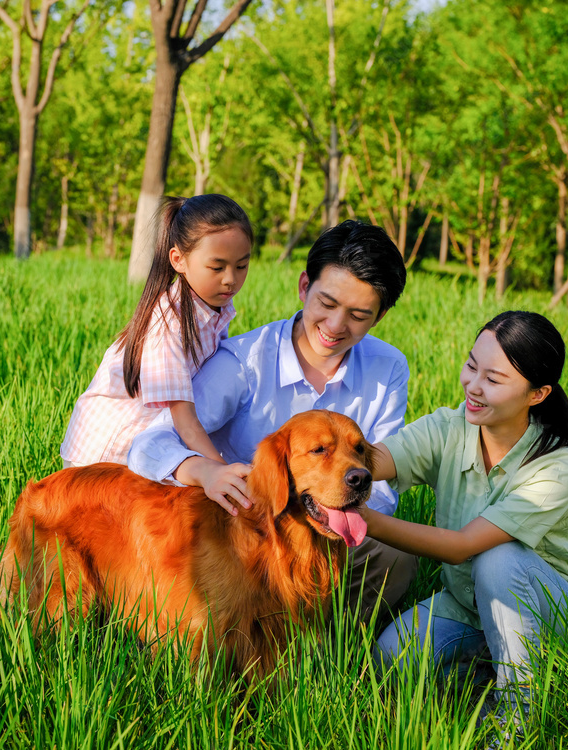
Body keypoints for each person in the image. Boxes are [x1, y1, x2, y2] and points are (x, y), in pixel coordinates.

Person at [128, 220, 418, 619]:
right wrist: (207, 471)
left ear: (380, 316)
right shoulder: (243, 362)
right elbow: (149, 443)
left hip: (330, 534)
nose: (335, 327)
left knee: (396, 558)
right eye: (327, 304)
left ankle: (327, 646)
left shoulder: (388, 368)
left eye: (358, 314)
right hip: (243, 534)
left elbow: (380, 484)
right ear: (303, 287)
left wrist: (338, 516)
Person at [367, 310, 568, 727]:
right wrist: (329, 467)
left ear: (537, 393)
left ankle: (518, 716)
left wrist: (361, 519)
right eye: (471, 366)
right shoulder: (450, 426)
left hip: (561, 615)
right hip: (470, 606)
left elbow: (461, 548)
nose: (473, 387)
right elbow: (376, 459)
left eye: (493, 380)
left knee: (499, 559)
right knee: (391, 659)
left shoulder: (559, 465)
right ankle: (495, 672)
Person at [60, 194, 253, 468]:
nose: (230, 279)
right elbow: (185, 422)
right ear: (178, 260)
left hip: (145, 443)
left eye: (242, 266)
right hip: (102, 453)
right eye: (217, 267)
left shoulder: (214, 307)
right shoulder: (168, 323)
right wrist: (221, 471)